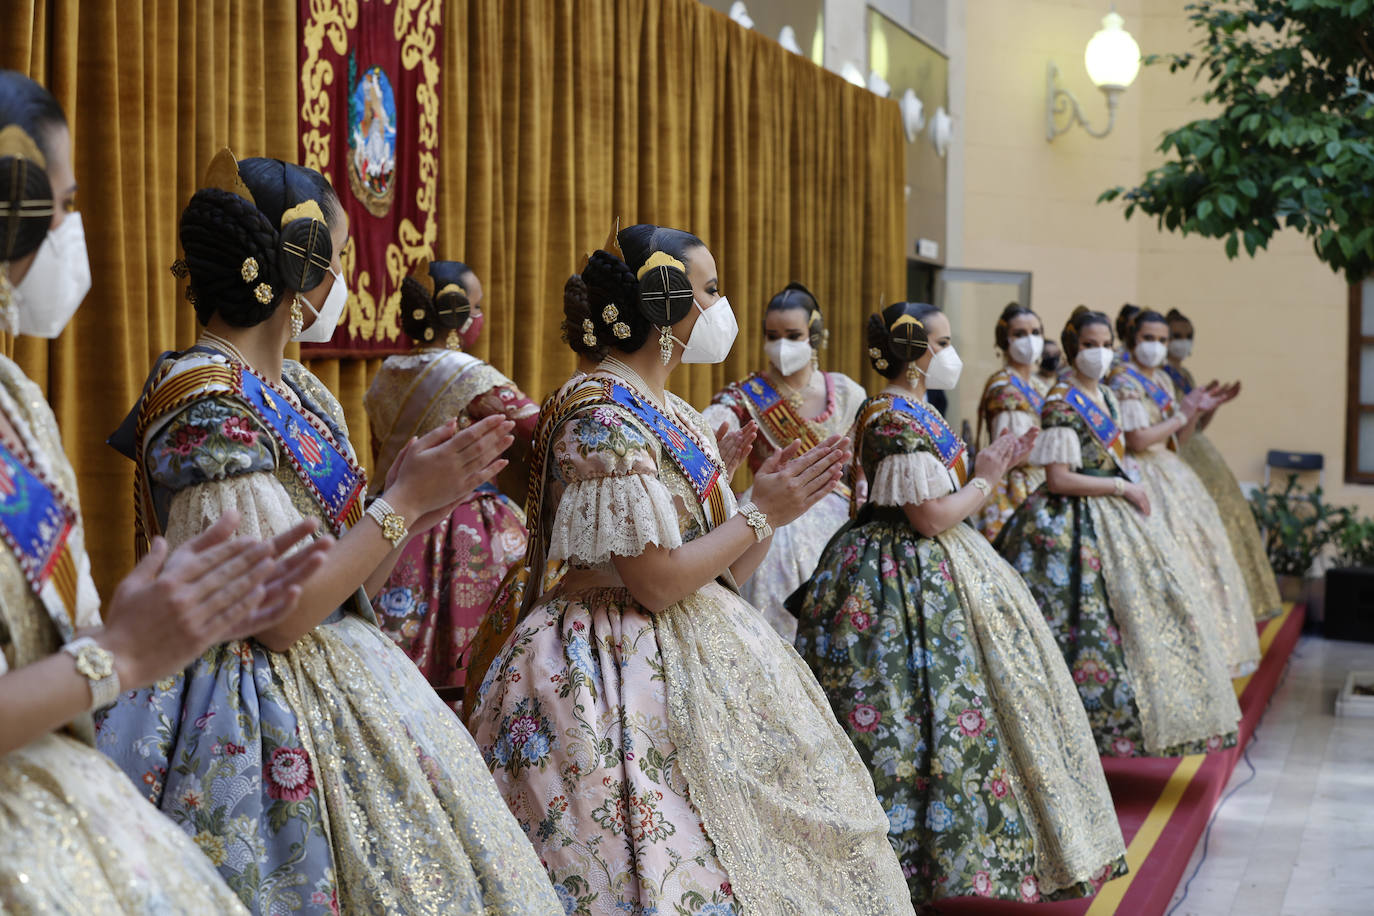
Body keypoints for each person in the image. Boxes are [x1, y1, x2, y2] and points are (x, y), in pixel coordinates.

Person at [97, 150, 561, 914]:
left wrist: (420, 505)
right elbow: (277, 617)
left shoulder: (301, 391)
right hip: (247, 713)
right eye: (338, 258)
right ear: (301, 267)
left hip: (339, 666)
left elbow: (350, 593)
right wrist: (402, 503)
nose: (345, 280)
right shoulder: (205, 401)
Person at [469, 231, 912, 915]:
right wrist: (760, 512)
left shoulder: (674, 411)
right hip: (605, 664)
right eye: (709, 290)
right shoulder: (601, 413)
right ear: (666, 305)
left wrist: (769, 512)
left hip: (698, 640)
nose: (719, 307)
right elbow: (653, 581)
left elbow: (724, 572)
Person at [0, 71, 330, 913]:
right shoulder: (199, 394)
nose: (76, 231)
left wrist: (108, 637)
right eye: (66, 206)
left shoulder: (16, 401)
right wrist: (119, 654)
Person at [789, 301, 1126, 908]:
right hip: (898, 580)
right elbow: (929, 516)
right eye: (941, 342)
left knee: (947, 709)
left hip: (937, 566)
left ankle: (935, 860)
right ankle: (894, 865)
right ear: (916, 354)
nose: (950, 352)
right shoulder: (893, 414)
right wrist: (989, 474)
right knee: (906, 709)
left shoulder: (915, 408)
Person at [997, 308, 1242, 758]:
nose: (1100, 353)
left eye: (1106, 344)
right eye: (1090, 345)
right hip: (1066, 525)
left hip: (1115, 515)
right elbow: (1058, 479)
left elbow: (1121, 455)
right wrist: (1119, 487)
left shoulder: (1107, 397)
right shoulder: (1060, 401)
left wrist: (1126, 486)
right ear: (1073, 348)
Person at [364, 258, 538, 711]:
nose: (480, 317)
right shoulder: (474, 377)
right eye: (476, 308)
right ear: (460, 317)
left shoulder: (387, 372)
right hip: (465, 527)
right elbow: (541, 430)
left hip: (394, 526)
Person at [703, 282, 866, 639]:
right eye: (772, 335)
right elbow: (708, 428)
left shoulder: (847, 392)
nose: (781, 345)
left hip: (836, 521)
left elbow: (862, 467)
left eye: (793, 335)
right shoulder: (744, 396)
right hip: (767, 523)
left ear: (815, 336)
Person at [1108, 309, 1261, 676]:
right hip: (1140, 472)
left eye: (1162, 340)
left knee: (1200, 558)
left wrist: (1197, 413)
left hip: (1171, 471)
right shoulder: (1123, 380)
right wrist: (1182, 415)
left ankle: (1205, 651)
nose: (1157, 346)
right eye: (1149, 339)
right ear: (1132, 339)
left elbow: (1177, 440)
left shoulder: (1160, 378)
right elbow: (1138, 438)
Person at [1166, 308, 1281, 620]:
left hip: (1200, 447)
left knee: (1229, 512)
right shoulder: (1162, 375)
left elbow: (1199, 423)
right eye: (1175, 336)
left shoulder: (1185, 375)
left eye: (1187, 336)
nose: (1182, 342)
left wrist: (1214, 405)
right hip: (1180, 451)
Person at [974, 302, 1051, 542]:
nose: (1030, 340)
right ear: (1004, 340)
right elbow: (1014, 450)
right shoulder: (1005, 387)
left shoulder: (1039, 385)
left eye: (1035, 332)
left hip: (1043, 475)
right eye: (1020, 334)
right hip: (1017, 484)